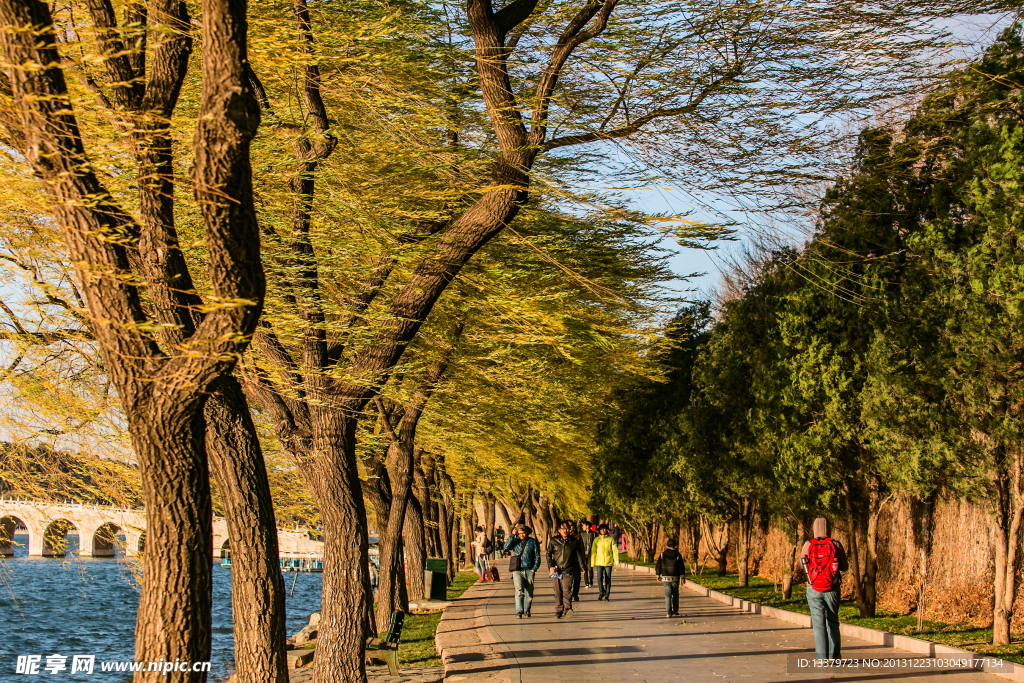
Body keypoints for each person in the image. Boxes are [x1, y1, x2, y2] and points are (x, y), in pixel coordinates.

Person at [800, 517, 849, 661]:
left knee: (818, 622)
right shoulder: (835, 544)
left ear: (814, 528)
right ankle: (834, 655)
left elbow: (801, 565)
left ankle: (821, 658)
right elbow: (845, 567)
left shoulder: (808, 544)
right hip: (832, 587)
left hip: (813, 587)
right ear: (829, 528)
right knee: (833, 620)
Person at [547, 520, 587, 618]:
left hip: (568, 569)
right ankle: (559, 610)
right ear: (559, 530)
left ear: (569, 530)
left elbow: (579, 555)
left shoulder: (573, 541)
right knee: (558, 591)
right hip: (557, 570)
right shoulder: (553, 541)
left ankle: (567, 609)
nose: (565, 531)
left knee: (566, 590)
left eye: (567, 529)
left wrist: (583, 568)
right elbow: (548, 554)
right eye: (563, 529)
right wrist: (550, 566)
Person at [504, 524, 540, 618]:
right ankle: (519, 611)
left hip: (529, 569)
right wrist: (512, 535)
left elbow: (537, 556)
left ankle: (526, 609)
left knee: (529, 592)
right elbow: (506, 547)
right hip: (517, 569)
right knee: (519, 591)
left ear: (527, 532)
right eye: (519, 533)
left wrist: (534, 568)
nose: (521, 535)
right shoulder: (515, 541)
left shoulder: (532, 542)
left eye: (523, 533)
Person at [656, 537, 686, 617]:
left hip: (665, 577)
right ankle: (675, 610)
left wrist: (658, 575)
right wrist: (683, 577)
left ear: (666, 546)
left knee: (667, 595)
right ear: (675, 546)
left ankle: (669, 613)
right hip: (675, 577)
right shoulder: (678, 555)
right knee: (675, 593)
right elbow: (681, 567)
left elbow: (658, 565)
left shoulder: (662, 555)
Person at [590, 523, 619, 601]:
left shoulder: (610, 539)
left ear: (607, 530)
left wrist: (616, 561)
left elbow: (615, 550)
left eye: (604, 529)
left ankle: (607, 594)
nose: (603, 531)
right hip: (599, 561)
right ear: (599, 530)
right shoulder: (596, 540)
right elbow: (593, 552)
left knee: (608, 578)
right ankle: (601, 592)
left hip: (608, 561)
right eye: (601, 529)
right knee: (599, 578)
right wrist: (592, 563)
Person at [579, 521, 597, 589]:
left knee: (590, 568)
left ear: (587, 526)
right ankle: (586, 582)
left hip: (591, 553)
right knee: (585, 568)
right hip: (583, 553)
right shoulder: (581, 534)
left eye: (583, 526)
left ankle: (591, 580)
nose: (582, 527)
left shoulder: (593, 534)